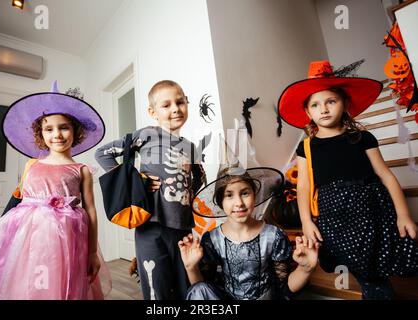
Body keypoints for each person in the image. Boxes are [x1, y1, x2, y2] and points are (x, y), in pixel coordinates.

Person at [278, 60, 418, 299]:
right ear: (307, 112)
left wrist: (403, 214)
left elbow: (385, 174)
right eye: (315, 104)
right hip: (335, 217)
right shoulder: (307, 147)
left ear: (344, 104)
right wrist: (306, 222)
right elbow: (303, 187)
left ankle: (375, 290)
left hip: (371, 211)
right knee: (359, 265)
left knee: (376, 264)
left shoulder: (362, 138)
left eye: (331, 101)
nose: (324, 109)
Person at [0, 82, 111, 300]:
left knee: (60, 283)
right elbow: (19, 201)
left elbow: (90, 211)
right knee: (28, 281)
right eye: (49, 129)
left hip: (66, 241)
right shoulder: (31, 164)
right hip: (28, 240)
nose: (57, 134)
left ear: (76, 130)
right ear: (40, 133)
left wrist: (92, 252)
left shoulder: (81, 170)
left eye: (64, 127)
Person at [95, 80, 206, 300]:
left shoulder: (190, 146)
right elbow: (102, 153)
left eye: (180, 102)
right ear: (152, 111)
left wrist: (187, 193)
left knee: (185, 284)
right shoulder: (146, 134)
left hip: (183, 227)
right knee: (156, 286)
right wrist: (135, 182)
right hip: (150, 226)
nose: (175, 108)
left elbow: (200, 177)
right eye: (166, 105)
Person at [179, 165, 320, 300]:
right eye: (229, 195)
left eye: (245, 193)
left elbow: (284, 288)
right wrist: (191, 267)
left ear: (254, 194)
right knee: (198, 290)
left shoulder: (274, 236)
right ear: (220, 201)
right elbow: (203, 292)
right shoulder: (212, 239)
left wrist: (305, 268)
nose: (239, 202)